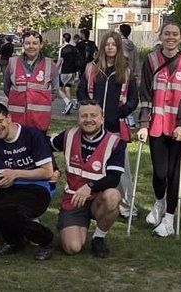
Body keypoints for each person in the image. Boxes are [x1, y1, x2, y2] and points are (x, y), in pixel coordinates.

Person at [0, 103, 57, 260]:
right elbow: (3, 176)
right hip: (13, 188)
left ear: (9, 118)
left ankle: (47, 240)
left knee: (6, 209)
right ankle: (13, 240)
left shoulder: (32, 135)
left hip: (38, 188)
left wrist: (16, 174)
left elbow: (47, 172)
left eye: (0, 121)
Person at [136, 22, 181, 237]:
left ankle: (169, 220)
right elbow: (144, 93)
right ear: (160, 36)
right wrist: (143, 124)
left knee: (174, 174)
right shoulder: (151, 60)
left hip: (180, 127)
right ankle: (159, 202)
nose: (170, 37)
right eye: (167, 33)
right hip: (157, 124)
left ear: (180, 38)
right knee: (160, 173)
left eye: (175, 34)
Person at [51, 101, 126, 258]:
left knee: (113, 196)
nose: (88, 119)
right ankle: (69, 224)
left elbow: (114, 179)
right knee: (72, 248)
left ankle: (99, 237)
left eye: (93, 115)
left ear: (102, 119)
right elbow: (43, 147)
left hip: (97, 198)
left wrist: (90, 187)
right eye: (84, 115)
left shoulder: (115, 143)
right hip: (73, 198)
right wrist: (53, 168)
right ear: (78, 118)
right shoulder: (69, 135)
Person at [77, 32, 139, 218]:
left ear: (119, 48)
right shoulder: (91, 68)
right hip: (92, 128)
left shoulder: (125, 71)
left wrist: (119, 113)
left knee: (121, 171)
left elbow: (133, 99)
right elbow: (81, 92)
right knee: (90, 165)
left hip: (114, 128)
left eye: (114, 44)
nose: (110, 47)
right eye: (107, 44)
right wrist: (87, 111)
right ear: (102, 47)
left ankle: (128, 207)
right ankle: (90, 200)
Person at [3, 31, 55, 132]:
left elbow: (54, 91)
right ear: (23, 45)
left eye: (35, 43)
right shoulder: (13, 63)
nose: (31, 46)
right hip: (16, 122)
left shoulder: (50, 65)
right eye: (27, 43)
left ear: (41, 45)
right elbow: (6, 88)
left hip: (40, 122)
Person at [57, 33, 83, 114]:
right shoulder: (74, 49)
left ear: (64, 39)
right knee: (67, 88)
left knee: (58, 88)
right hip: (72, 72)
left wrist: (54, 70)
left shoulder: (63, 48)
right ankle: (68, 107)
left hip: (63, 71)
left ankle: (67, 102)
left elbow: (60, 61)